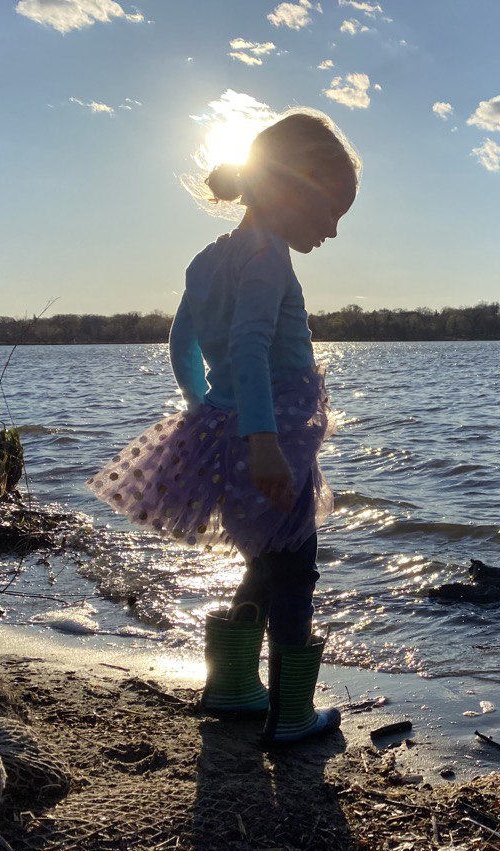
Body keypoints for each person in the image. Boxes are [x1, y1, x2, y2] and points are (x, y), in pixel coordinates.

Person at [88, 109, 360, 748]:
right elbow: (247, 343)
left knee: (264, 562)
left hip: (226, 429)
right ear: (293, 190)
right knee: (294, 568)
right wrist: (262, 439)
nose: (334, 231)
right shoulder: (267, 259)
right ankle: (292, 713)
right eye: (331, 213)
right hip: (271, 437)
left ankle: (235, 685)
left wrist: (205, 410)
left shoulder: (208, 259)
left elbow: (181, 341)